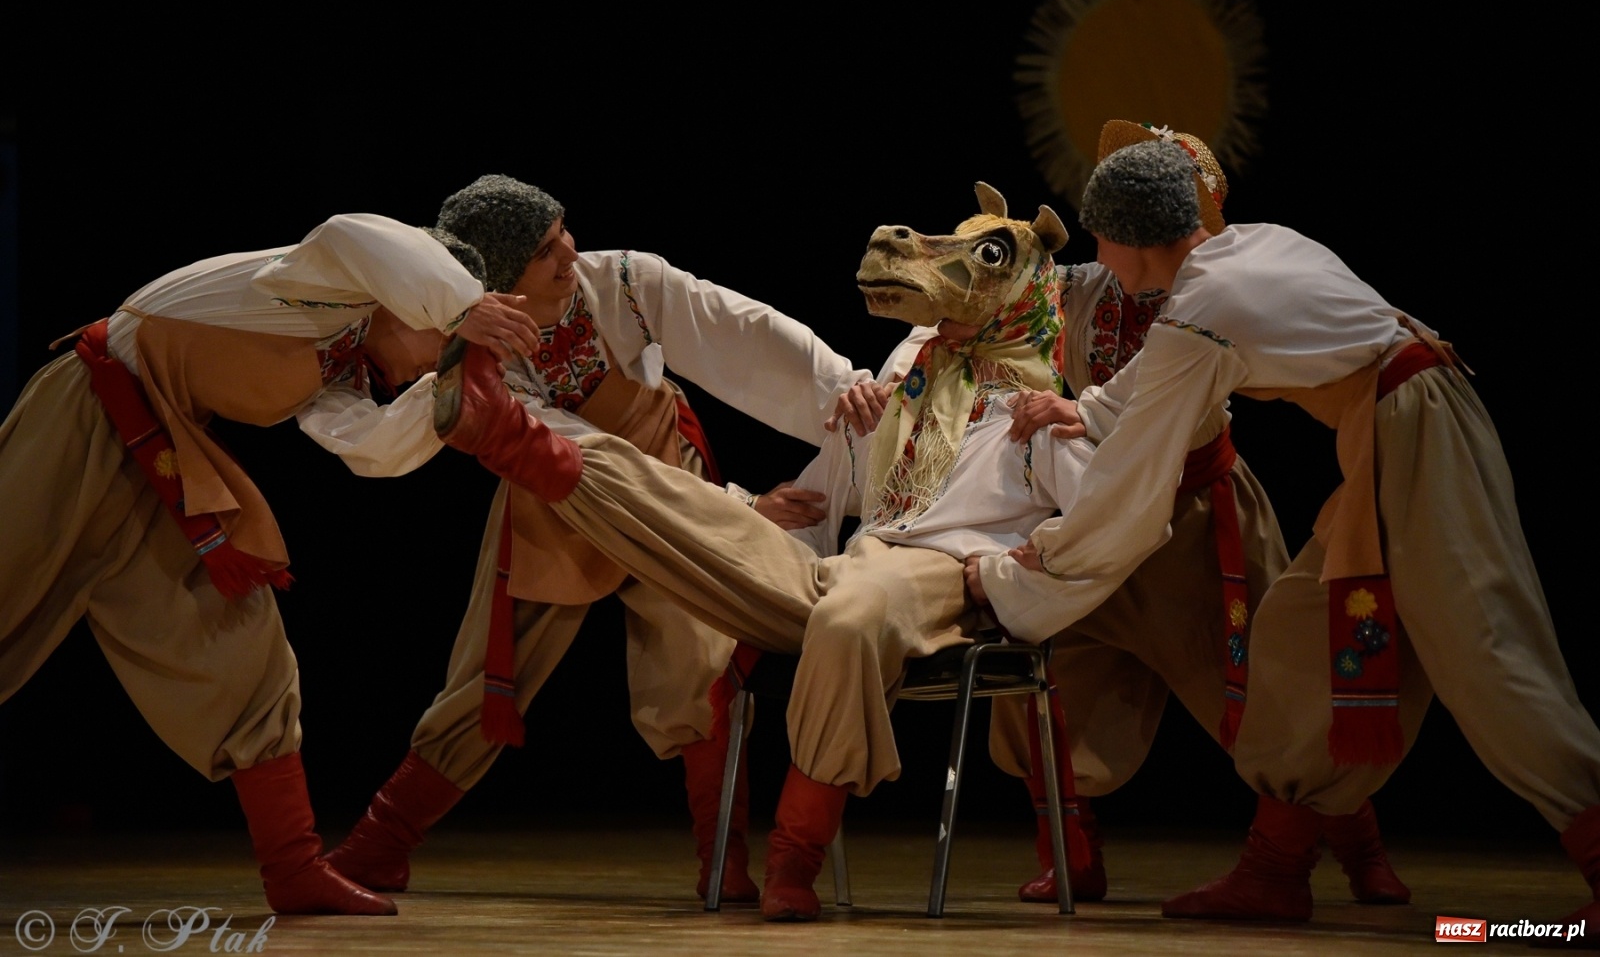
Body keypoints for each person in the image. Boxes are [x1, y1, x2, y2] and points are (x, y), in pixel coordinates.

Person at [427, 183, 1129, 922]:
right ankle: (519, 438)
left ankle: (794, 858)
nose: (568, 252)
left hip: (936, 575)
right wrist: (784, 485)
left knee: (848, 615)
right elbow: (839, 488)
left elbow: (1102, 528)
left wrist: (1007, 574)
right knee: (706, 520)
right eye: (544, 249)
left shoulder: (1043, 410)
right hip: (849, 562)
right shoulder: (914, 362)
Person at [971, 122, 1600, 934]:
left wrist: (1047, 554)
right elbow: (1144, 393)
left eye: (1100, 231)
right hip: (1396, 430)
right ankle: (1276, 868)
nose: (1097, 249)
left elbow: (1135, 464)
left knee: (1485, 649)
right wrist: (1086, 409)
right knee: (1303, 632)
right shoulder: (1253, 248)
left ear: (1126, 236)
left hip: (1417, 433)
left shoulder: (1201, 307)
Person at [325, 175, 878, 906]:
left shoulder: (625, 282)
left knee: (700, 664)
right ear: (500, 278)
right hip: (563, 498)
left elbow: (742, 333)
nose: (569, 255)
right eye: (544, 251)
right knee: (491, 675)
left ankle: (725, 859)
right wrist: (733, 509)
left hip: (666, 476)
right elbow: (586, 465)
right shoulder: (480, 359)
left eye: (564, 235)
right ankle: (381, 843)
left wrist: (842, 390)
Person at [0, 213, 541, 916]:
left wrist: (457, 402)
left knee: (247, 654)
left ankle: (292, 869)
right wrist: (465, 304)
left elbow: (370, 447)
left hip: (161, 470)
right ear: (416, 301)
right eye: (442, 347)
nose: (427, 367)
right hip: (84, 419)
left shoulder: (340, 364)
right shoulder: (324, 284)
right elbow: (357, 232)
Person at [974, 133, 1405, 908]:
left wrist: (1061, 507)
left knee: (1260, 698)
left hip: (1196, 524)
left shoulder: (1202, 297)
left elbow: (1152, 420)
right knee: (1041, 678)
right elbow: (979, 295)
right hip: (1096, 511)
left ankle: (1351, 849)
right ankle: (1070, 856)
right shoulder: (1080, 287)